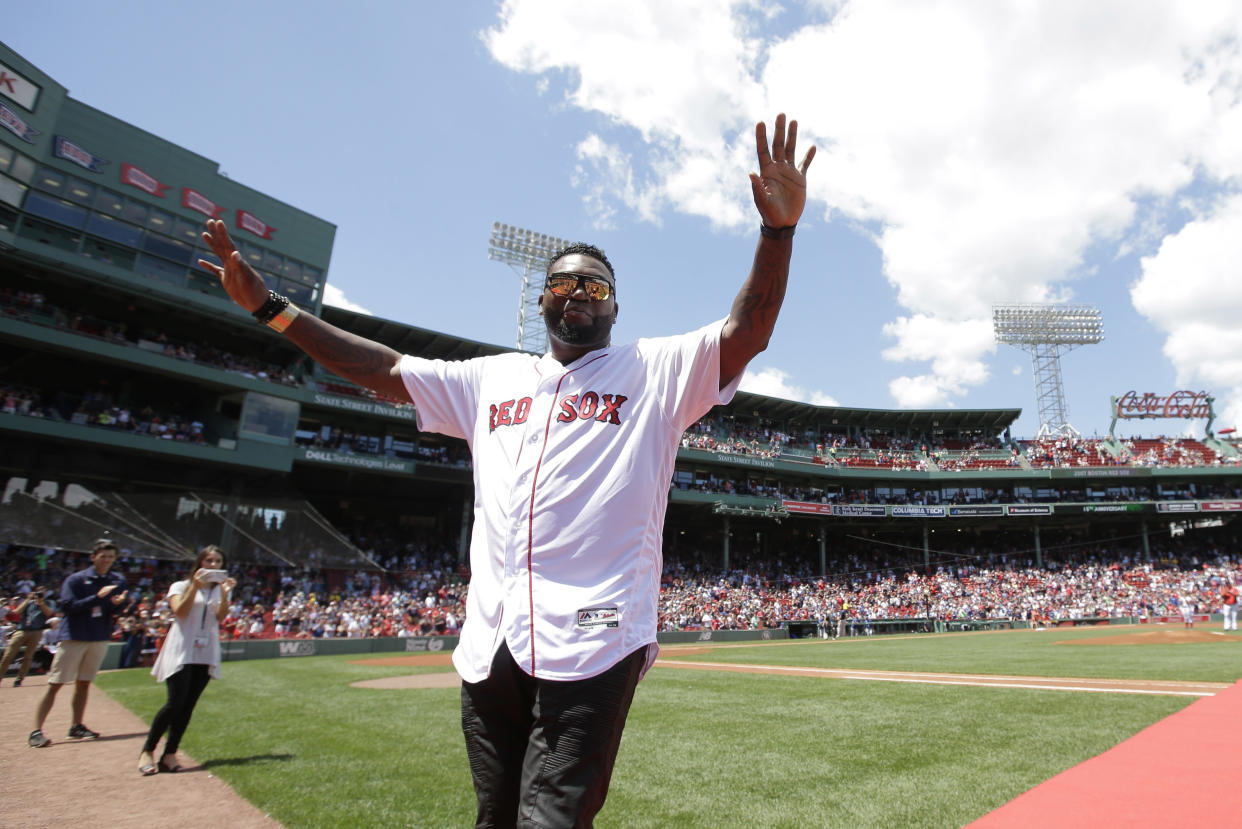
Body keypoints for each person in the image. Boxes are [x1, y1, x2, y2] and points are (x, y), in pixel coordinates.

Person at [199, 112, 814, 827]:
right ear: (543, 298)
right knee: (494, 816)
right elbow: (381, 368)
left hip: (595, 635)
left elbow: (749, 328)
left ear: (615, 306)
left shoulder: (656, 371)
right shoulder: (490, 378)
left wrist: (777, 235)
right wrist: (274, 312)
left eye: (595, 284)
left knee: (551, 818)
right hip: (490, 639)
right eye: (562, 282)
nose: (578, 290)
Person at [138, 545, 236, 775]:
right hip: (181, 648)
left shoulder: (221, 590)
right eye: (208, 561)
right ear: (199, 563)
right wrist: (195, 586)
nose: (213, 565)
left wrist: (224, 595)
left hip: (206, 650)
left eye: (217, 562)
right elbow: (180, 612)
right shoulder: (180, 586)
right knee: (175, 702)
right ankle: (147, 750)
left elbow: (220, 617)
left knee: (188, 705)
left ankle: (170, 753)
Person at [29, 538, 129, 748]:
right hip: (74, 636)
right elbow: (67, 606)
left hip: (99, 636)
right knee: (55, 683)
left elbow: (114, 610)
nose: (107, 560)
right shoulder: (76, 579)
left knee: (84, 683)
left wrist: (118, 605)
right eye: (103, 556)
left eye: (111, 556)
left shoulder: (117, 580)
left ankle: (77, 726)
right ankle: (36, 730)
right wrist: (97, 597)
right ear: (93, 557)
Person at [0, 586, 55, 686]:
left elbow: (49, 612)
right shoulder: (29, 603)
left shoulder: (48, 603)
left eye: (42, 592)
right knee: (8, 654)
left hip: (37, 631)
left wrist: (41, 602)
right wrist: (28, 599)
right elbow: (17, 612)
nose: (40, 594)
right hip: (22, 630)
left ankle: (19, 679)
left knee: (28, 657)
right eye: (38, 592)